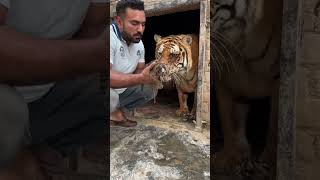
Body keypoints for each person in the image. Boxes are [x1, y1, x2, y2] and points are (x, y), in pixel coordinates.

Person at [0, 0, 108, 179]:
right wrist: (96, 53)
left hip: (44, 92)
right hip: (9, 95)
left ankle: (26, 147)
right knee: (10, 107)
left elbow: (93, 29)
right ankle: (18, 159)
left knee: (111, 97)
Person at [110, 0, 157, 127]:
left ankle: (114, 110)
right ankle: (114, 113)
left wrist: (151, 69)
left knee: (150, 89)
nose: (140, 30)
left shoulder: (139, 44)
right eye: (134, 23)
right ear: (119, 22)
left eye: (143, 24)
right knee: (111, 97)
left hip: (122, 90)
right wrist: (140, 78)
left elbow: (139, 72)